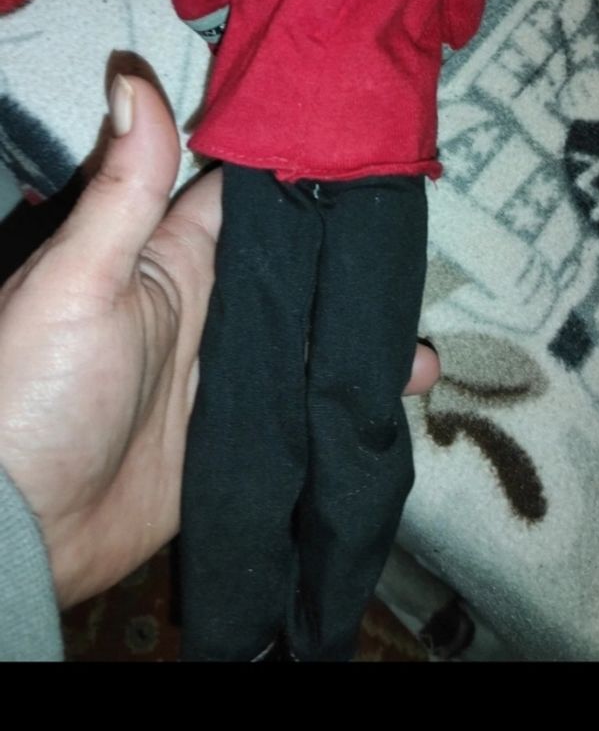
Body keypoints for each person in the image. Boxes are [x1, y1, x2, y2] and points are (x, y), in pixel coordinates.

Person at [169, 0, 489, 663]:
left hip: (264, 161)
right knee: (360, 414)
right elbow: (460, 15)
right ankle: (324, 639)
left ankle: (229, 641)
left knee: (244, 408)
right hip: (387, 169)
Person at [0, 73, 441, 663]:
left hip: (345, 162)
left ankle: (268, 635)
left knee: (341, 423)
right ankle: (268, 635)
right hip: (357, 162)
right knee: (335, 422)